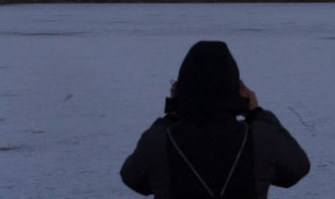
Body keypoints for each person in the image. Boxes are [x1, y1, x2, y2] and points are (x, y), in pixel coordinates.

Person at [121, 41, 310, 198]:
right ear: (236, 91)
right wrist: (256, 113)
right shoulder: (261, 137)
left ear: (182, 90)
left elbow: (134, 180)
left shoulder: (159, 140)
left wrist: (173, 113)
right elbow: (296, 170)